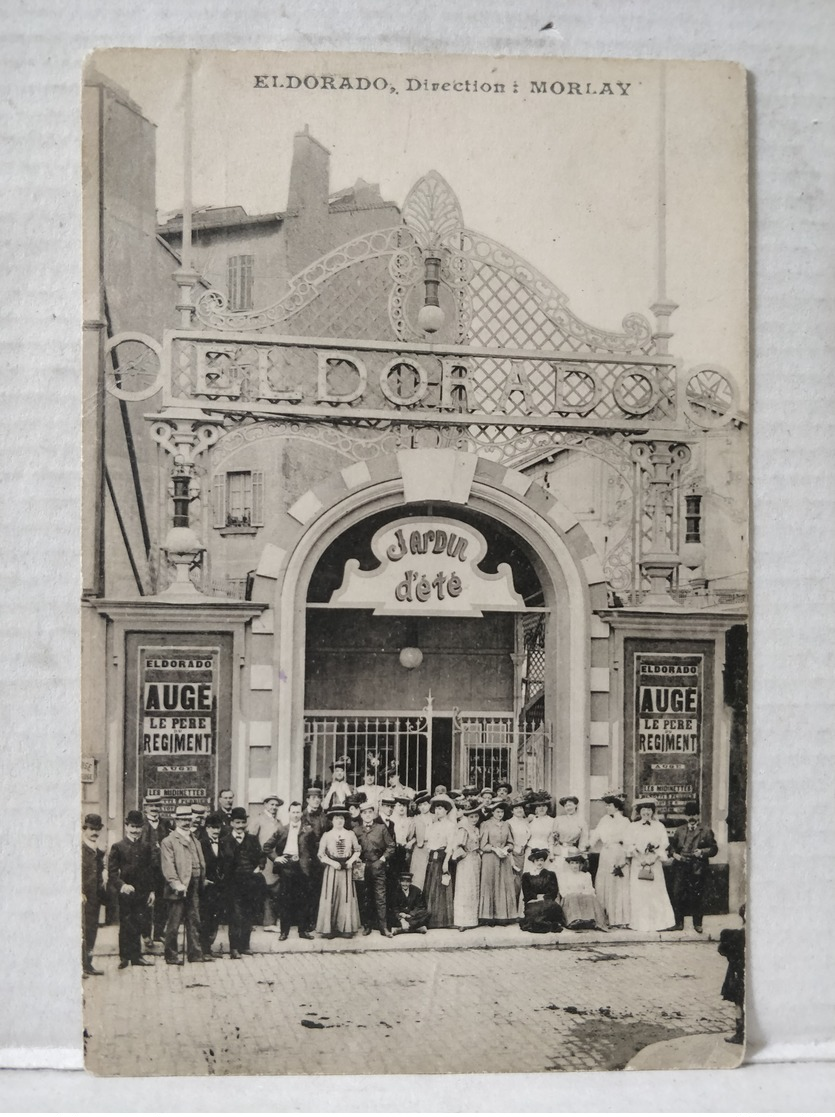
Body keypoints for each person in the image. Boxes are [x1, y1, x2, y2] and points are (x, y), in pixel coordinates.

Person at [108, 810, 156, 969]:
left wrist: (152, 891)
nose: (135, 830)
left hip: (142, 892)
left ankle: (137, 957)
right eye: (132, 827)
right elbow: (112, 873)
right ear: (126, 826)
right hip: (126, 893)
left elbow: (151, 872)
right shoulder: (118, 847)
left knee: (140, 922)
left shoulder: (146, 847)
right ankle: (124, 957)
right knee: (126, 924)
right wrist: (122, 885)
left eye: (138, 827)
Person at [160, 803, 207, 965]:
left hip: (194, 886)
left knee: (194, 921)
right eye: (182, 820)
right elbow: (168, 866)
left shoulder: (195, 840)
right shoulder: (169, 841)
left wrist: (202, 879)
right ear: (176, 821)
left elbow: (199, 862)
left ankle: (195, 954)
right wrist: (176, 884)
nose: (186, 822)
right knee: (174, 923)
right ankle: (171, 956)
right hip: (179, 888)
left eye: (188, 819)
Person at [263, 801, 314, 941]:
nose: (296, 815)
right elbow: (266, 847)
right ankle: (284, 932)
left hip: (302, 867)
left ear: (301, 813)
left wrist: (308, 863)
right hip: (286, 866)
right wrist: (276, 858)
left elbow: (314, 849)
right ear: (289, 813)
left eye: (298, 812)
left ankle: (303, 931)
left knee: (303, 899)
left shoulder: (308, 830)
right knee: (285, 899)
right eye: (293, 812)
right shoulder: (282, 829)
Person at [665, 800, 718, 933]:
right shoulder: (680, 830)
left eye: (694, 815)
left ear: (698, 816)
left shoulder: (706, 830)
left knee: (697, 895)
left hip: (697, 867)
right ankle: (678, 923)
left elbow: (714, 848)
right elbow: (671, 847)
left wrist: (701, 852)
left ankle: (697, 924)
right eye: (689, 815)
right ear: (685, 816)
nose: (692, 818)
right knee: (677, 894)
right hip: (680, 866)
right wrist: (674, 854)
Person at [626, 798, 675, 932]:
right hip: (639, 863)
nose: (646, 812)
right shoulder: (632, 826)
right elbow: (629, 844)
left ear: (652, 811)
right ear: (639, 812)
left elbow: (664, 843)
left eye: (649, 810)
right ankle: (640, 924)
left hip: (654, 863)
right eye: (643, 810)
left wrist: (654, 857)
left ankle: (658, 923)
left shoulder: (659, 826)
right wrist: (639, 858)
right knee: (639, 893)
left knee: (655, 892)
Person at [222, 806, 265, 958]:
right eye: (237, 823)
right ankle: (234, 948)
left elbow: (261, 856)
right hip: (233, 884)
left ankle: (245, 945)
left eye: (243, 823)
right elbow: (223, 863)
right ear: (232, 823)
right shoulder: (225, 841)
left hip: (250, 883)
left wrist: (259, 867)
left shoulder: (252, 839)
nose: (240, 826)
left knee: (248, 914)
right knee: (235, 916)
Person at [315, 806, 362, 937]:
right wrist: (332, 862)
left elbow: (358, 850)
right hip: (332, 869)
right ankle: (329, 929)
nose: (339, 821)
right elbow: (320, 854)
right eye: (336, 818)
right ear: (332, 820)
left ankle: (345, 928)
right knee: (330, 895)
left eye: (341, 818)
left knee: (346, 896)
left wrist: (351, 861)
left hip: (346, 869)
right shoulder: (327, 835)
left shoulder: (350, 834)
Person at [588, 792, 632, 928]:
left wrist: (625, 858)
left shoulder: (625, 821)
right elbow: (595, 835)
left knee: (617, 885)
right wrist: (587, 845)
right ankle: (605, 917)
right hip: (606, 854)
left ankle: (619, 919)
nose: (607, 808)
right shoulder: (604, 820)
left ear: (617, 806)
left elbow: (628, 841)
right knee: (604, 883)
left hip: (618, 853)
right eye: (606, 806)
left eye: (609, 805)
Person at [355, 801, 395, 937]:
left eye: (370, 812)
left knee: (380, 897)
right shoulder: (357, 830)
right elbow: (353, 848)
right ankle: (367, 926)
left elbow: (391, 846)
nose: (367, 815)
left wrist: (383, 859)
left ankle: (383, 927)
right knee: (365, 897)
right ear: (361, 815)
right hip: (362, 867)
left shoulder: (381, 828)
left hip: (378, 866)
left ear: (374, 814)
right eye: (364, 813)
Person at [139, 792, 172, 949]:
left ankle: (159, 932)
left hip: (162, 869)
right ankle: (146, 934)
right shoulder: (141, 824)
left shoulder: (165, 824)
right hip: (146, 869)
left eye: (157, 806)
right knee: (147, 902)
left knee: (162, 902)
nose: (154, 809)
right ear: (146, 808)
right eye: (151, 806)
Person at [247, 793, 284, 928]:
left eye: (276, 805)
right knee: (261, 890)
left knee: (274, 890)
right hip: (262, 861)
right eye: (271, 804)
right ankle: (255, 923)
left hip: (274, 860)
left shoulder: (279, 823)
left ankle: (270, 922)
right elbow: (250, 841)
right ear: (265, 805)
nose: (274, 807)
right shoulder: (258, 820)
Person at [478, 801, 517, 925]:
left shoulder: (506, 825)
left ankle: (503, 916)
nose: (500, 814)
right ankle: (489, 917)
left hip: (504, 859)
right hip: (490, 858)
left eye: (502, 812)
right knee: (490, 884)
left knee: (503, 885)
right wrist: (495, 849)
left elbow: (511, 842)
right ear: (492, 812)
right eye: (497, 812)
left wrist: (506, 849)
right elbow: (483, 845)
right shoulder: (486, 824)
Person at [424, 798, 457, 928]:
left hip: (444, 857)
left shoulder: (450, 826)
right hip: (433, 857)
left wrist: (446, 862)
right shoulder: (432, 825)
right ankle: (432, 920)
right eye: (436, 808)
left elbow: (451, 845)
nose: (438, 811)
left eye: (440, 808)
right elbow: (429, 844)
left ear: (446, 810)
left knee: (443, 887)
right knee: (432, 886)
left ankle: (444, 920)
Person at [450, 799, 481, 931]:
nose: (474, 819)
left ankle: (472, 920)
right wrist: (464, 854)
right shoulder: (463, 828)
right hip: (466, 860)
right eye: (471, 816)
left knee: (474, 888)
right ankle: (462, 921)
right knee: (464, 889)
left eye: (476, 816)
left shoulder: (476, 829)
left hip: (475, 859)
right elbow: (458, 845)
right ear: (467, 817)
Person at [198, 813, 226, 958]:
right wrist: (202, 880)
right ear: (207, 828)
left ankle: (209, 946)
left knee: (215, 917)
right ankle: (204, 949)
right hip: (206, 887)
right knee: (205, 917)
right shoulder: (200, 843)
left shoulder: (222, 843)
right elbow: (196, 864)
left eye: (218, 828)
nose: (216, 831)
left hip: (219, 887)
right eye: (212, 828)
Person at [82, 813, 106, 975]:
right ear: (85, 829)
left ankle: (87, 964)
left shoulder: (98, 849)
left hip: (94, 897)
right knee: (81, 931)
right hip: (82, 897)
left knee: (91, 930)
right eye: (91, 829)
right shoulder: (79, 848)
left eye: (97, 830)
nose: (94, 833)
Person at [519, 847, 565, 934]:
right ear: (533, 862)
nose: (539, 863)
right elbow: (526, 892)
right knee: (535, 911)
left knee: (551, 907)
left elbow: (554, 891)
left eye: (541, 860)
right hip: (532, 901)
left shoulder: (550, 874)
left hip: (547, 901)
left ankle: (546, 923)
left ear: (544, 861)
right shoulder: (526, 876)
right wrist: (536, 897)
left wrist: (544, 897)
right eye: (537, 860)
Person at [559, 851, 608, 930]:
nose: (574, 865)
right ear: (569, 864)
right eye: (572, 863)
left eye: (577, 863)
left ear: (580, 864)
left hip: (583, 896)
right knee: (573, 897)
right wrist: (574, 893)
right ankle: (574, 920)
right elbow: (563, 890)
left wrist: (582, 893)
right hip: (570, 898)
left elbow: (589, 888)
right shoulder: (564, 876)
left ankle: (590, 920)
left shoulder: (585, 875)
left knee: (590, 898)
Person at [719, 904, 746, 1044]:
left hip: (738, 973)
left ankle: (740, 1033)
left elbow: (723, 950)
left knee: (739, 1002)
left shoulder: (736, 936)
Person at [553, 795, 590, 892]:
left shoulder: (581, 821)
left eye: (570, 805)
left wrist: (583, 854)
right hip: (560, 850)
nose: (568, 808)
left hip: (573, 851)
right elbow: (552, 837)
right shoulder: (559, 819)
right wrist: (553, 851)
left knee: (570, 876)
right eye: (566, 806)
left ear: (575, 805)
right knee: (558, 876)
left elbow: (583, 839)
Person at [523, 793, 557, 872]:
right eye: (539, 806)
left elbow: (551, 839)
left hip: (545, 851)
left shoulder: (552, 821)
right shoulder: (531, 819)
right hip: (531, 850)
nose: (541, 808)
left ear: (547, 808)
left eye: (544, 806)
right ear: (536, 808)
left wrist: (551, 854)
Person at [507, 797, 532, 901]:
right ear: (512, 810)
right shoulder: (509, 823)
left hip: (525, 853)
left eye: (521, 807)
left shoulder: (526, 822)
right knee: (515, 882)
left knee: (524, 881)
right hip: (514, 853)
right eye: (516, 808)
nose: (519, 810)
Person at [409, 791, 433, 892]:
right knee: (418, 874)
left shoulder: (435, 817)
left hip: (432, 847)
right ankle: (416, 897)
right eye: (420, 805)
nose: (423, 807)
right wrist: (413, 841)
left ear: (430, 805)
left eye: (425, 804)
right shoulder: (416, 819)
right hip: (420, 848)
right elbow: (411, 836)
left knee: (430, 873)